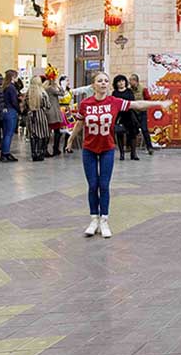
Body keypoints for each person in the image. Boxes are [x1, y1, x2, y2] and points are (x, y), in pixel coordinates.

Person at [67, 71, 171, 238]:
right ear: (93, 85)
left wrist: (158, 103)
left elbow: (137, 105)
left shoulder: (114, 102)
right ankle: (94, 219)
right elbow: (79, 123)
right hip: (89, 150)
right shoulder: (86, 104)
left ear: (109, 85)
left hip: (107, 148)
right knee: (93, 185)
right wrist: (71, 140)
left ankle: (104, 220)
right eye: (99, 81)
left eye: (105, 81)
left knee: (104, 185)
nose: (103, 83)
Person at [111, 75, 139, 161]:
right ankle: (122, 153)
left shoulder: (129, 91)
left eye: (122, 81)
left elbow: (132, 102)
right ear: (116, 84)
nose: (121, 83)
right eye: (119, 82)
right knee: (120, 134)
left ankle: (133, 153)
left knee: (132, 134)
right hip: (119, 115)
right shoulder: (115, 93)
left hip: (129, 114)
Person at [26, 76, 51, 162]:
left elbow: (25, 104)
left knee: (33, 135)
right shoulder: (42, 93)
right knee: (41, 134)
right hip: (40, 114)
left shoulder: (28, 93)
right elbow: (47, 105)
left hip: (30, 114)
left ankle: (33, 153)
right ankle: (40, 153)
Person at [129, 74, 154, 155]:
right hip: (133, 112)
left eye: (132, 80)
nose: (130, 82)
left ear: (136, 81)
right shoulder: (129, 90)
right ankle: (131, 147)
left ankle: (149, 147)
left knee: (144, 129)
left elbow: (148, 100)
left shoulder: (143, 89)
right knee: (132, 130)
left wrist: (144, 106)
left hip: (142, 112)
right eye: (130, 80)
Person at [0, 70, 20, 162]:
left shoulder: (5, 87)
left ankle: (5, 152)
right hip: (11, 111)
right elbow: (13, 101)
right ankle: (5, 153)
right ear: (12, 77)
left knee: (6, 133)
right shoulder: (11, 88)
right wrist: (19, 109)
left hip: (6, 111)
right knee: (9, 134)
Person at [44, 76, 65, 156]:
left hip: (50, 111)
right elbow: (62, 93)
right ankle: (55, 148)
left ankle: (48, 148)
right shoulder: (51, 89)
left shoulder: (46, 88)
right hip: (53, 112)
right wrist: (60, 86)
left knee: (51, 131)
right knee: (56, 131)